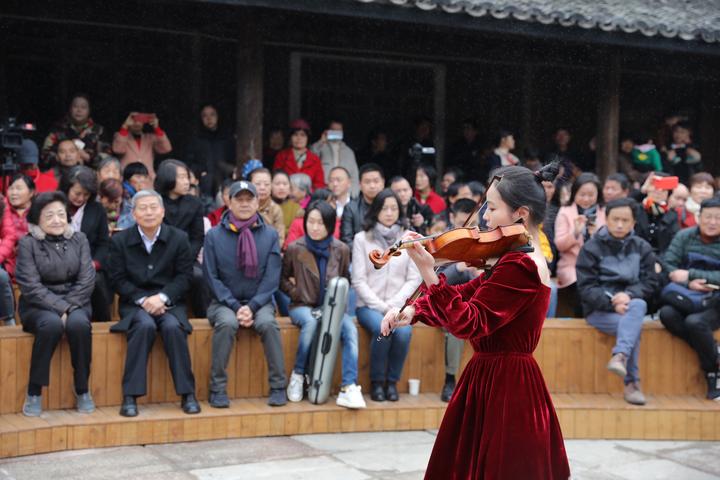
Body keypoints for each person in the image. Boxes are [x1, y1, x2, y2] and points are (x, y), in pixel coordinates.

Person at [380, 164, 570, 479]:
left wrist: (429, 272)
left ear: (520, 214)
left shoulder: (522, 264)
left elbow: (468, 322)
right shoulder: (512, 258)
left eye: (492, 208)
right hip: (494, 376)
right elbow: (467, 292)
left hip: (505, 384)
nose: (483, 217)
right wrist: (414, 311)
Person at [107, 190, 200, 417]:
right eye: (143, 208)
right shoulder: (120, 240)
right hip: (134, 303)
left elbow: (185, 276)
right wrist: (142, 299)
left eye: (153, 207)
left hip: (169, 302)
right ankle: (130, 396)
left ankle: (187, 394)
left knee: (172, 327)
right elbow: (116, 278)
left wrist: (163, 297)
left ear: (162, 211)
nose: (149, 212)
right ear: (134, 213)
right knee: (144, 326)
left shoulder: (178, 238)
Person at [203, 181, 287, 407]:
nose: (244, 204)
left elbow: (272, 278)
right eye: (238, 199)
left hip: (259, 302)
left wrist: (252, 306)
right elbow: (211, 277)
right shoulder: (213, 235)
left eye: (248, 199)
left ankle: (279, 386)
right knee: (227, 323)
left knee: (269, 324)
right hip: (223, 303)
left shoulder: (269, 235)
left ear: (257, 202)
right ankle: (217, 388)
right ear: (228, 203)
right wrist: (234, 305)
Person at [16, 191, 96, 417]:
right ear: (37, 219)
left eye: (61, 214)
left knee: (79, 325)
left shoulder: (79, 239)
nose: (57, 220)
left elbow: (87, 279)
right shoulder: (28, 244)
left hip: (76, 301)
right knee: (51, 326)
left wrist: (68, 307)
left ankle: (82, 388)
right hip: (37, 305)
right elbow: (30, 286)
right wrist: (60, 308)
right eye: (49, 215)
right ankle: (34, 391)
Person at [282, 200, 366, 409]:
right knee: (310, 323)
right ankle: (298, 375)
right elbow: (281, 279)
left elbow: (344, 280)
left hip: (333, 309)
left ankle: (349, 386)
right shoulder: (295, 248)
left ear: (329, 225)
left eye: (320, 223)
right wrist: (296, 292)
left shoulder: (342, 249)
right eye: (311, 221)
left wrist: (338, 305)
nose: (315, 227)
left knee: (350, 331)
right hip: (303, 306)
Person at [576, 198, 658, 405]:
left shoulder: (642, 247)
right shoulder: (591, 248)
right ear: (607, 219)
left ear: (633, 223)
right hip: (600, 311)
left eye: (625, 220)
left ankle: (620, 356)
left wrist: (628, 295)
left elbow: (650, 282)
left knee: (638, 306)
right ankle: (632, 383)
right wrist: (612, 302)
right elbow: (586, 288)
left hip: (631, 306)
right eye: (615, 219)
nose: (620, 225)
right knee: (633, 325)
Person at [352, 189, 421, 402]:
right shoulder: (362, 239)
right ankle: (377, 382)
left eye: (394, 208)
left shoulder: (408, 238)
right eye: (384, 208)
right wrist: (382, 306)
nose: (389, 213)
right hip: (369, 306)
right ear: (375, 211)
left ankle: (391, 382)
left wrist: (394, 303)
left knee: (404, 333)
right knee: (384, 327)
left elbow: (414, 278)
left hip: (398, 304)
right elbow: (358, 280)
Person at [659, 198, 720, 400]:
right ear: (698, 217)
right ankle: (713, 352)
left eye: (718, 218)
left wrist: (691, 276)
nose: (713, 222)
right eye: (708, 217)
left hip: (715, 300)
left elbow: (683, 273)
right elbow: (669, 266)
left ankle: (711, 372)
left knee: (695, 323)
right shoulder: (684, 236)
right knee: (667, 314)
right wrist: (689, 284)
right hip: (687, 296)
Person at [437, 198, 479, 402]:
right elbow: (434, 283)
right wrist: (458, 268)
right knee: (456, 327)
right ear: (452, 218)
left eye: (473, 224)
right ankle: (450, 379)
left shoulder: (484, 242)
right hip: (448, 304)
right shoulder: (442, 244)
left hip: (477, 303)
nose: (470, 230)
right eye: (464, 224)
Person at [154, 159, 207, 317]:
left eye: (187, 177)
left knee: (198, 276)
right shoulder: (154, 202)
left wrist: (184, 259)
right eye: (182, 177)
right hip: (157, 258)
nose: (187, 181)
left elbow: (197, 237)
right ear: (168, 178)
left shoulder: (195, 203)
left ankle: (203, 317)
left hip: (187, 257)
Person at [554, 172, 606, 315]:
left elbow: (610, 246)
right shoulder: (565, 211)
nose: (586, 199)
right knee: (581, 289)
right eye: (582, 194)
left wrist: (596, 234)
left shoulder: (604, 212)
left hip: (600, 265)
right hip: (572, 266)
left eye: (591, 195)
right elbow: (560, 245)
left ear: (598, 195)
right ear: (574, 193)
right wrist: (575, 233)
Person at [184, 103, 236, 200]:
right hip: (204, 185)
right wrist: (200, 172)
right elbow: (189, 163)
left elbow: (233, 161)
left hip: (225, 183)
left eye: (212, 114)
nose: (209, 118)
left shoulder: (227, 139)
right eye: (205, 115)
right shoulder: (196, 139)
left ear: (218, 116)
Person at [41, 94, 107, 169]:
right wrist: (62, 158)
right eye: (75, 106)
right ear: (70, 109)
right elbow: (45, 154)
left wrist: (87, 157)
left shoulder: (98, 130)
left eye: (83, 107)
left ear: (89, 110)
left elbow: (107, 158)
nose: (79, 110)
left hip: (90, 174)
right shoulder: (58, 128)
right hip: (60, 173)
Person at [112, 112, 172, 178]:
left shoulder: (150, 138)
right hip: (128, 178)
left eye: (140, 120)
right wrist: (125, 127)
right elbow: (118, 150)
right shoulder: (120, 135)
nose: (137, 123)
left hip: (148, 178)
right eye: (134, 120)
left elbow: (166, 149)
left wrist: (156, 128)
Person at [341, 163, 385, 248]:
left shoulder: (392, 206)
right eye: (367, 182)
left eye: (376, 181)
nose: (372, 186)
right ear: (360, 185)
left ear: (383, 183)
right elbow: (347, 240)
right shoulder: (350, 208)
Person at [273, 119, 325, 190]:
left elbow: (319, 184)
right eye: (295, 134)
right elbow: (276, 179)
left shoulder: (315, 159)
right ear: (290, 137)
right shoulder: (282, 156)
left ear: (307, 138)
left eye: (303, 135)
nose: (299, 138)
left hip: (309, 198)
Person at [311, 119, 360, 196]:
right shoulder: (320, 147)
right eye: (333, 130)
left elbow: (354, 176)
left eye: (339, 130)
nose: (336, 132)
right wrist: (321, 141)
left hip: (344, 192)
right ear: (328, 131)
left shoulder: (349, 152)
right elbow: (310, 159)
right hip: (324, 190)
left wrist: (353, 195)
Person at [2, 174, 34, 280]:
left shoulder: (39, 209)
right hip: (7, 263)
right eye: (11, 188)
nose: (14, 193)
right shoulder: (2, 208)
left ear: (31, 192)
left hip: (33, 265)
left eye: (19, 188)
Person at [249, 168, 285, 245]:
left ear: (271, 186)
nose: (262, 188)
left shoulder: (276, 209)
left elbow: (280, 239)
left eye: (267, 184)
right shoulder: (244, 206)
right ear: (250, 184)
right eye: (258, 184)